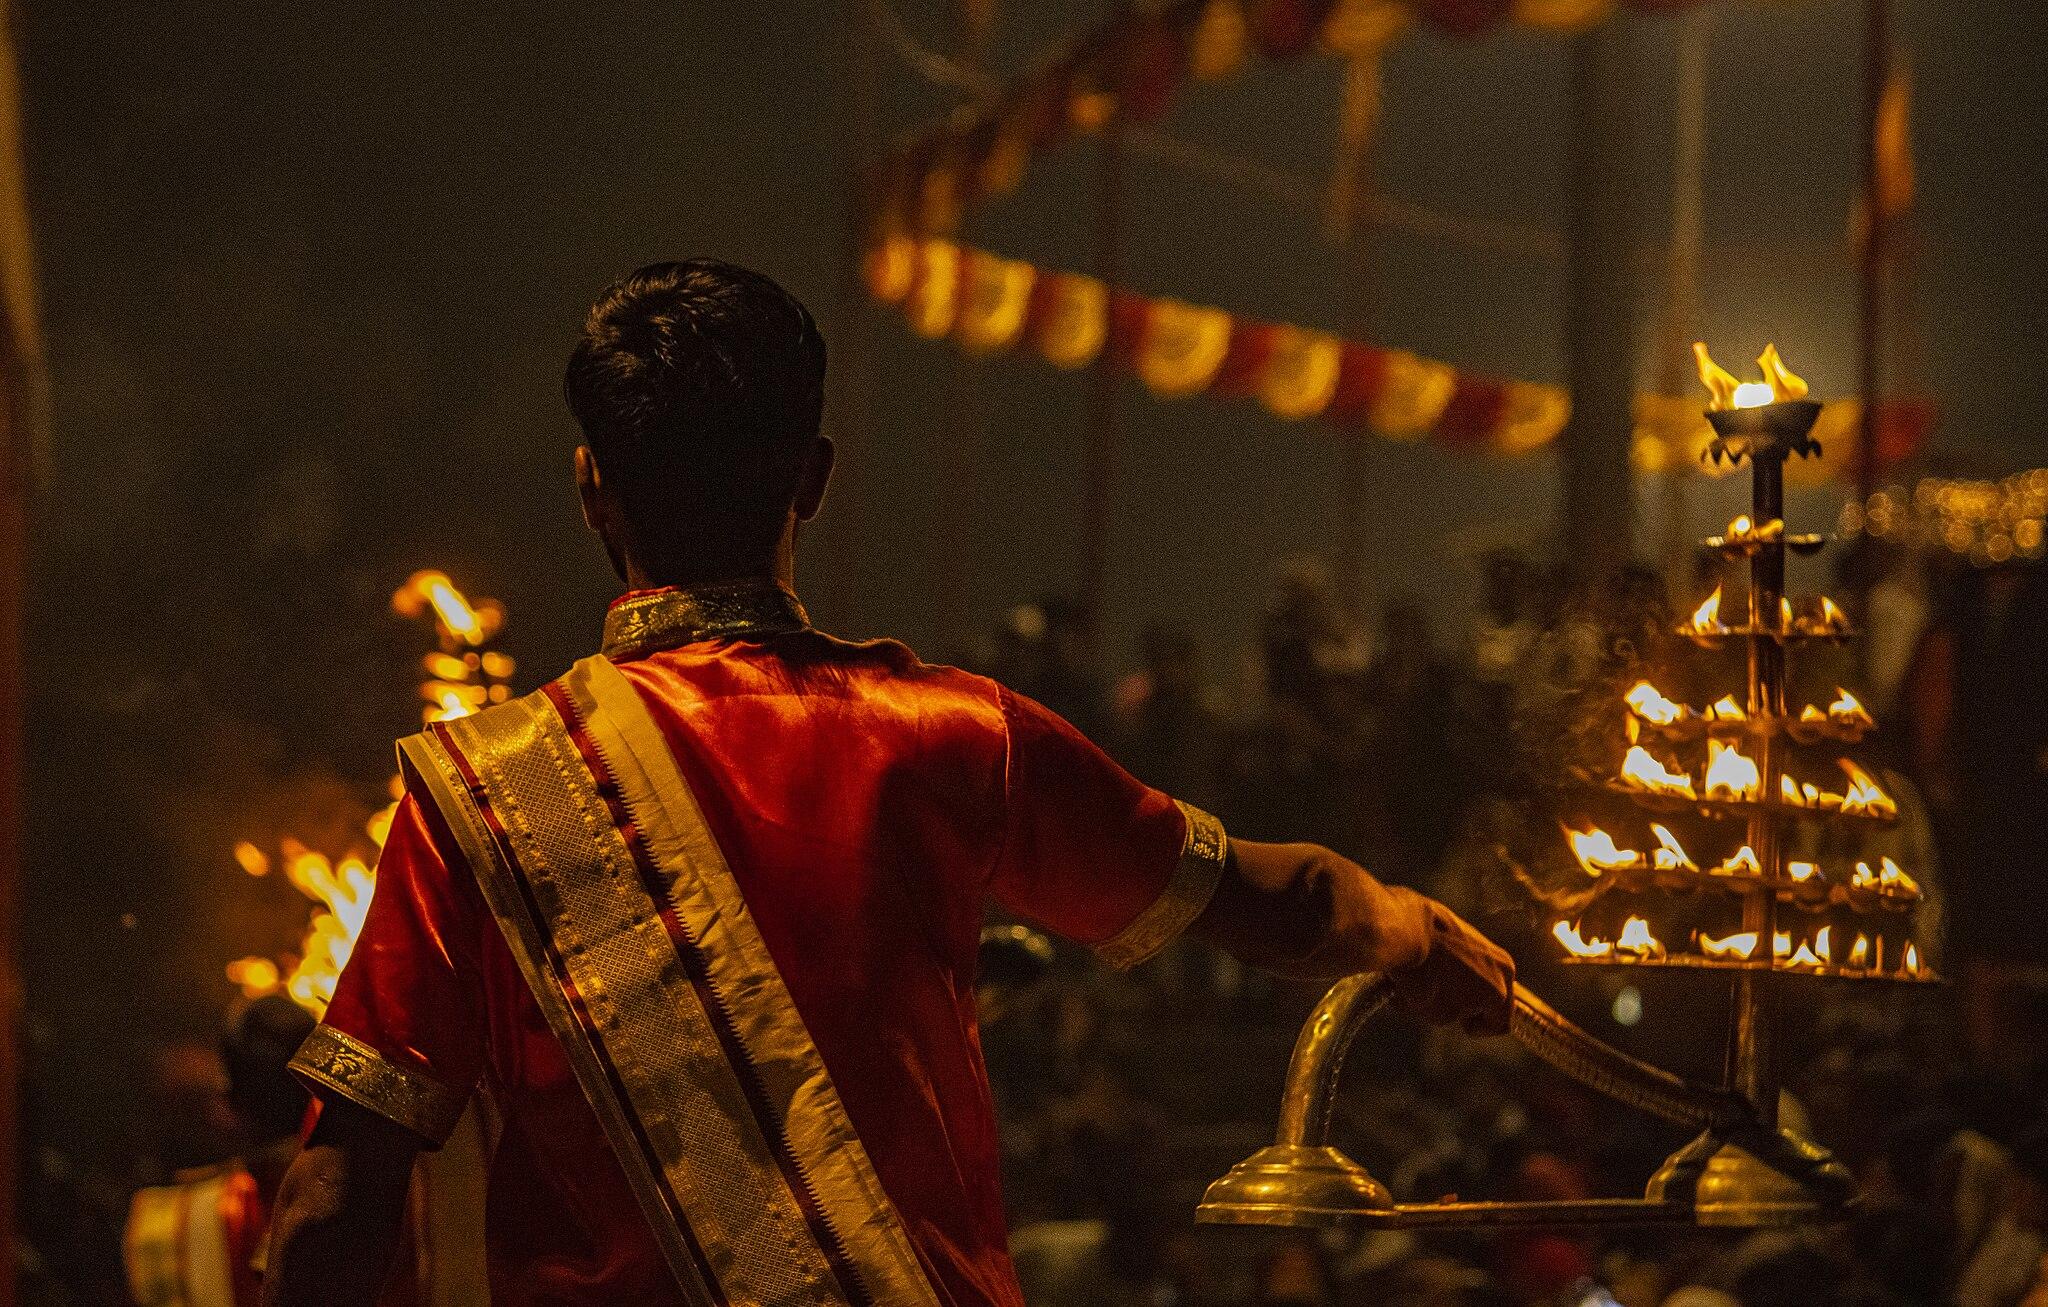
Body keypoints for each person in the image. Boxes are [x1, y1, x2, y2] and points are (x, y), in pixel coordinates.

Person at [261, 260, 1513, 1307]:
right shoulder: (948, 737)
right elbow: (1269, 905)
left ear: (594, 485)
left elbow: (335, 1191)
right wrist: (1407, 928)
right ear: (810, 477)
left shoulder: (483, 790)